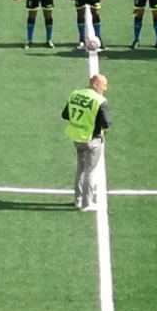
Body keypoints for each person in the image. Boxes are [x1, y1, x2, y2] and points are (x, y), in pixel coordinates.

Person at [62, 74, 111, 212]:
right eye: (104, 84)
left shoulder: (75, 94)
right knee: (91, 171)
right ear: (95, 84)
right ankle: (87, 202)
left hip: (76, 137)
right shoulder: (100, 100)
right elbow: (106, 123)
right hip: (92, 139)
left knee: (80, 169)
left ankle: (78, 199)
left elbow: (65, 114)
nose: (105, 88)